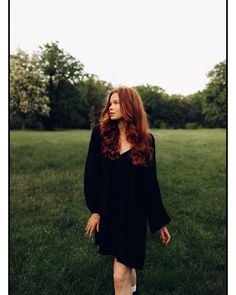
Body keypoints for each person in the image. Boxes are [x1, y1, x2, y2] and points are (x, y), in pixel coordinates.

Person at [84, 86, 171, 295]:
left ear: (130, 106)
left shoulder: (146, 140)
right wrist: (95, 210)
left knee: (119, 274)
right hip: (110, 212)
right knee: (121, 259)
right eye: (110, 103)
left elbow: (150, 183)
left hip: (134, 215)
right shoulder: (100, 133)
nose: (110, 108)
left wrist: (159, 222)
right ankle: (132, 291)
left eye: (116, 103)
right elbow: (91, 174)